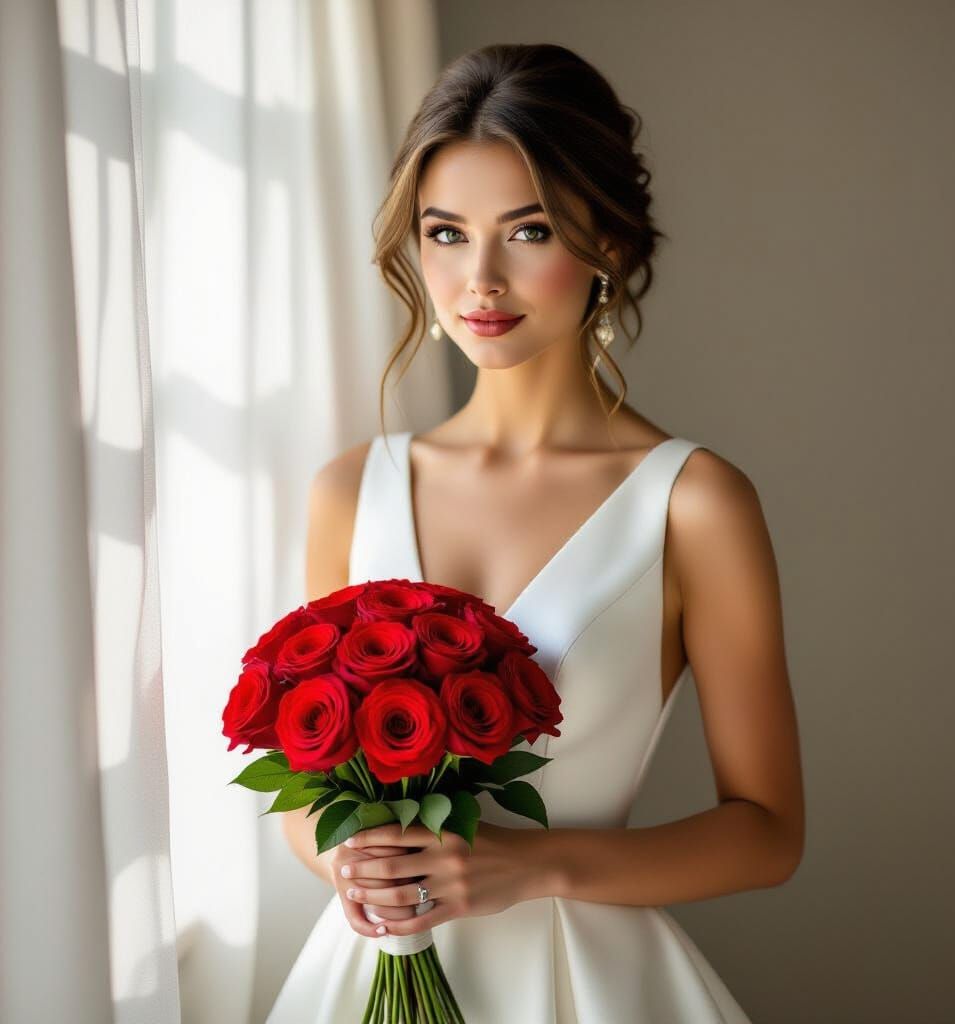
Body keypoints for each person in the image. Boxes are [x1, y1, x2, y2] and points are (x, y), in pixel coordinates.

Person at [269, 42, 803, 1023]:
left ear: (609, 243)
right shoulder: (350, 489)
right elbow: (306, 794)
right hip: (368, 981)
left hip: (583, 980)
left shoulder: (692, 503)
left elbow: (766, 832)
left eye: (527, 231)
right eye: (443, 232)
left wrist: (529, 863)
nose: (478, 278)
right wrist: (345, 857)